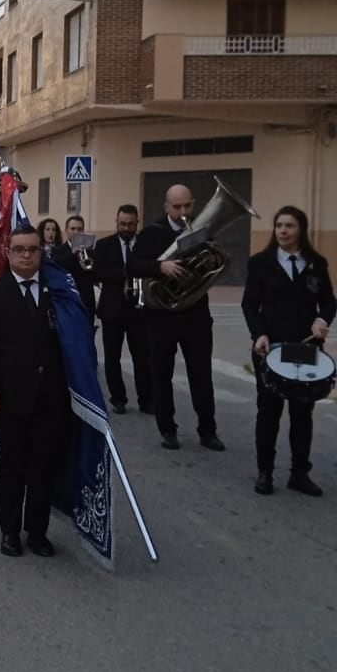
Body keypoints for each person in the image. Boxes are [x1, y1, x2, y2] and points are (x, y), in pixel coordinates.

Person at [0, 222, 72, 558]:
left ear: (41, 252)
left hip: (50, 397)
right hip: (10, 397)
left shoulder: (57, 294)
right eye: (19, 250)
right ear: (8, 252)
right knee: (11, 467)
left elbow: (73, 343)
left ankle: (38, 532)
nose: (27, 255)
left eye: (32, 249)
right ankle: (10, 531)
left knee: (43, 467)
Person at [241, 205, 335, 497]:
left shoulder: (316, 263)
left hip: (305, 349)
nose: (283, 231)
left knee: (301, 413)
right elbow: (249, 304)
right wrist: (259, 335)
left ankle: (299, 474)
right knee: (268, 412)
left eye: (289, 226)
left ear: (300, 230)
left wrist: (322, 320)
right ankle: (265, 472)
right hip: (270, 349)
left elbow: (329, 302)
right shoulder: (260, 263)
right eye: (279, 225)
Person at [131, 183, 224, 453]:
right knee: (161, 374)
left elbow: (215, 262)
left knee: (202, 375)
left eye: (187, 206)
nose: (183, 212)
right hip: (162, 316)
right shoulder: (151, 233)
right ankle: (167, 429)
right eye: (177, 207)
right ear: (166, 207)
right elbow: (133, 265)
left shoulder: (202, 230)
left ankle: (208, 430)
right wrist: (160, 266)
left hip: (196, 315)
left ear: (193, 203)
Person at [92, 204, 151, 414]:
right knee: (112, 357)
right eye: (122, 224)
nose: (126, 228)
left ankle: (146, 399)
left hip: (140, 309)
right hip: (113, 309)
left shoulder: (145, 244)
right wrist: (125, 273)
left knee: (142, 357)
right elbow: (97, 273)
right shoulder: (104, 245)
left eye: (130, 224)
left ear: (137, 223)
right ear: (116, 223)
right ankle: (118, 398)